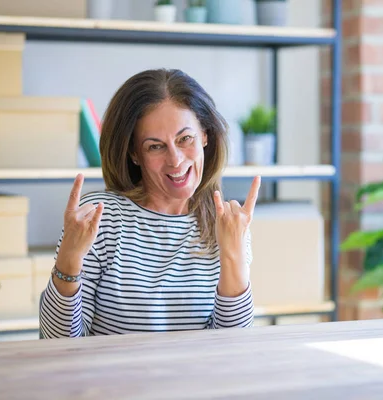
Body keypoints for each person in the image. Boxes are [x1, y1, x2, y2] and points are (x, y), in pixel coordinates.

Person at [39, 68, 260, 338]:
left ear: (205, 135)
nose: (176, 160)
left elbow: (233, 348)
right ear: (134, 154)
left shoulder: (227, 223)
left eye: (185, 139)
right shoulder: (101, 218)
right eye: (155, 146)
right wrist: (68, 262)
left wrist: (233, 256)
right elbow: (57, 344)